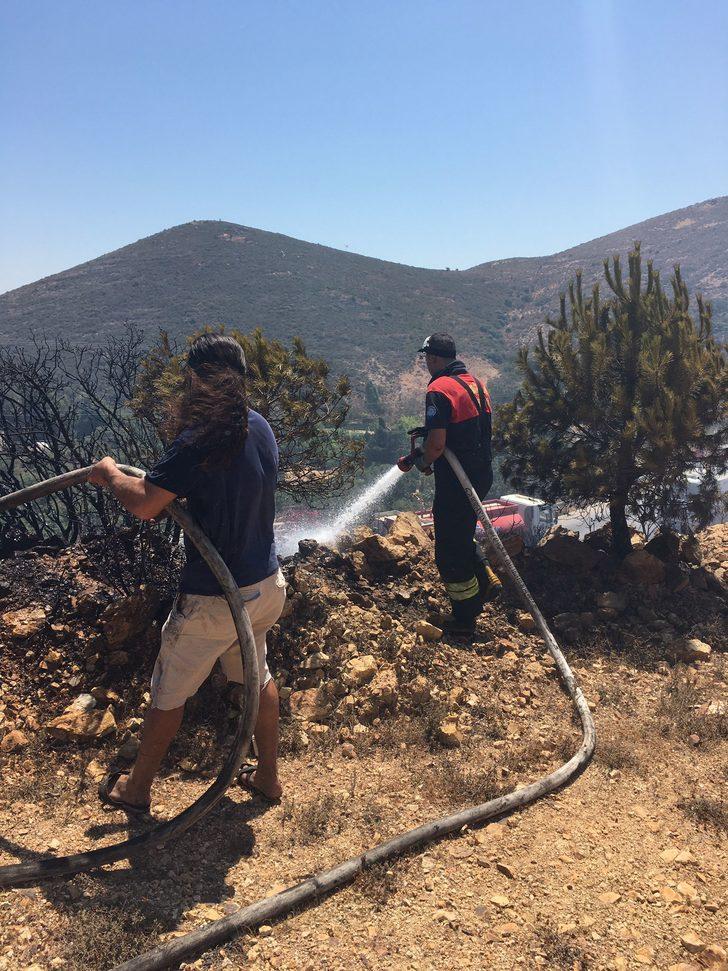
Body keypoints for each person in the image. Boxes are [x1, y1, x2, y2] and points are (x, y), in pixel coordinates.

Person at [88, 333, 286, 811]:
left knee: (167, 693)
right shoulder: (259, 426)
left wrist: (110, 473)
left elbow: (144, 504)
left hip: (215, 599)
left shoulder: (199, 438)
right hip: (265, 586)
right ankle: (268, 779)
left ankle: (135, 791)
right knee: (257, 677)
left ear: (196, 379)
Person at [398, 332, 501, 636]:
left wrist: (424, 461)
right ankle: (486, 578)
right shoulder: (476, 384)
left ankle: (465, 617)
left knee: (448, 550)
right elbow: (466, 430)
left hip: (458, 481)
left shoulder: (438, 389)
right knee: (462, 532)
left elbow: (438, 444)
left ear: (432, 359)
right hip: (481, 475)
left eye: (427, 359)